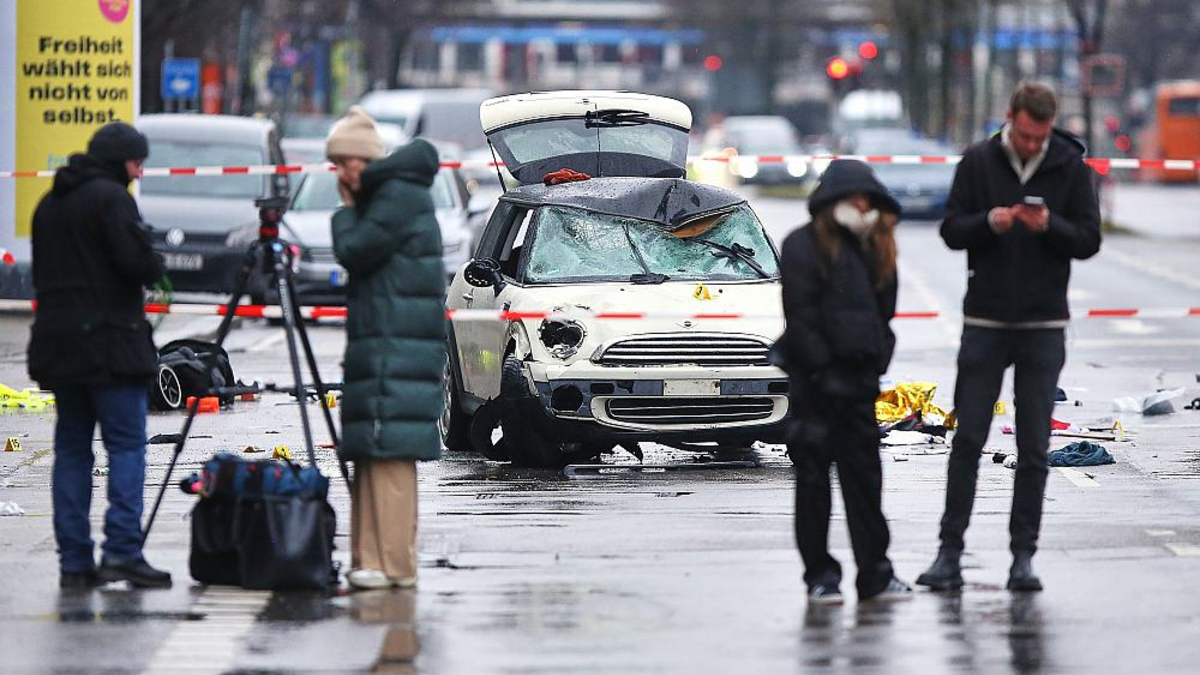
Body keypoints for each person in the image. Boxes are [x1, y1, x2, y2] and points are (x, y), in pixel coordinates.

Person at [916, 81, 1101, 593]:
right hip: (986, 322)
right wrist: (990, 222)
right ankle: (949, 552)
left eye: (1038, 138)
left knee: (1035, 446)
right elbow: (951, 229)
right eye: (1023, 136)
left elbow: (1088, 240)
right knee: (968, 439)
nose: (1030, 146)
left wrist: (1050, 227)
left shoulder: (1070, 167)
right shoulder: (977, 162)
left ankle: (1023, 558)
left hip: (1043, 325)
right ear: (1010, 118)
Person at [27, 121, 170, 589]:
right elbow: (137, 265)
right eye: (136, 162)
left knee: (71, 449)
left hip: (59, 347)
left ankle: (75, 561)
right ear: (119, 162)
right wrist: (153, 254)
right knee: (126, 445)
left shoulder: (49, 204)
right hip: (111, 346)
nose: (139, 171)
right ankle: (123, 552)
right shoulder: (112, 199)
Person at [775, 159, 911, 604]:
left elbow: (883, 316)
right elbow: (801, 318)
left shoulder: (879, 245)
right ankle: (820, 575)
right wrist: (821, 370)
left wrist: (874, 364)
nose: (863, 205)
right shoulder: (801, 245)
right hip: (815, 388)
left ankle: (875, 573)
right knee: (813, 485)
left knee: (865, 485)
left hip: (857, 387)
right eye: (855, 197)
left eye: (868, 198)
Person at [326, 106, 446, 590]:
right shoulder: (396, 194)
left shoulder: (394, 198)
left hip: (395, 345)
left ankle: (391, 563)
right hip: (388, 341)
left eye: (342, 164)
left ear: (362, 161)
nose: (339, 174)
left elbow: (353, 250)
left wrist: (345, 211)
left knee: (389, 457)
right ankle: (371, 560)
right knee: (375, 452)